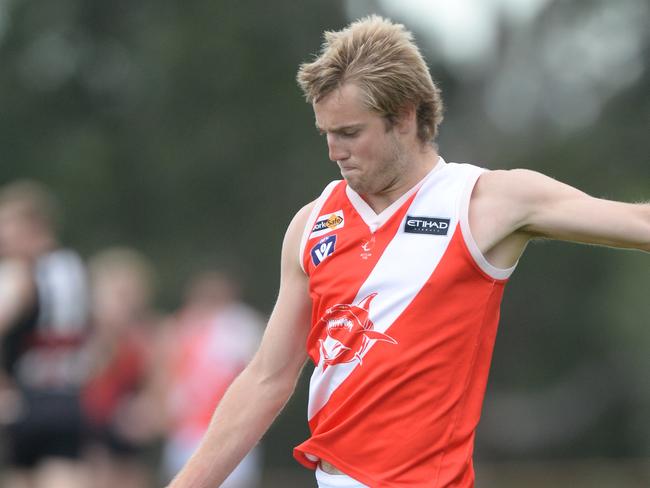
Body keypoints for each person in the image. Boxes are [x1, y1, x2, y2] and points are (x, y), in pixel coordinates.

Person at [168, 15, 650, 488]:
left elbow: (639, 223)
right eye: (326, 134)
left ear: (405, 116)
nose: (334, 151)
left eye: (350, 133)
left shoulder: (485, 202)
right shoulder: (311, 225)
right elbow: (265, 380)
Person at [0, 180, 90, 488]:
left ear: (33, 225)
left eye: (7, 225)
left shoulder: (20, 273)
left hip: (28, 398)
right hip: (67, 396)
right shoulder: (73, 267)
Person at [158, 270, 264, 488]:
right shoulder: (183, 326)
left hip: (230, 429)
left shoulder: (241, 327)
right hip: (187, 428)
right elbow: (168, 374)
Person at [81, 247, 162, 488]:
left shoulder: (149, 336)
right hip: (87, 430)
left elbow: (158, 394)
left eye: (129, 295)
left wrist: (145, 411)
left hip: (126, 433)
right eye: (118, 295)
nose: (124, 304)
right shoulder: (86, 332)